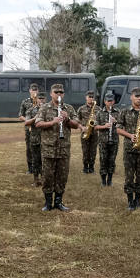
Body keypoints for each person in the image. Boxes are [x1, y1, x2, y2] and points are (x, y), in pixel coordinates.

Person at [35, 83, 81, 211]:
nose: (59, 94)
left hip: (63, 149)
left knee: (62, 176)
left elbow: (76, 124)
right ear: (51, 94)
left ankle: (59, 201)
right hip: (48, 149)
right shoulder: (44, 108)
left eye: (61, 92)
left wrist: (67, 120)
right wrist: (53, 122)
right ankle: (48, 203)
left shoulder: (69, 108)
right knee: (48, 176)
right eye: (56, 92)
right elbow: (38, 123)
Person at [116, 87, 140, 211]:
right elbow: (118, 128)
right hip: (129, 148)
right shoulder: (125, 111)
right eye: (136, 96)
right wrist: (130, 135)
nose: (138, 98)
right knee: (129, 175)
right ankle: (130, 202)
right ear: (131, 97)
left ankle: (138, 201)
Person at [95, 93, 120, 187]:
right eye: (108, 101)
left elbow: (122, 126)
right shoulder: (99, 113)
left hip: (114, 140)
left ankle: (110, 180)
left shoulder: (118, 112)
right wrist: (104, 126)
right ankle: (103, 181)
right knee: (103, 160)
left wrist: (115, 122)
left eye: (111, 101)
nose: (110, 103)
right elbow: (95, 127)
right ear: (105, 101)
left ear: (114, 101)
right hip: (103, 141)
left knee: (112, 160)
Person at [24, 91, 46, 187]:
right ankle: (36, 179)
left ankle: (44, 179)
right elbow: (26, 122)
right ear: (36, 100)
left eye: (42, 98)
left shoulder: (49, 110)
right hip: (35, 139)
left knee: (45, 160)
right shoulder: (30, 110)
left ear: (45, 99)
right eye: (39, 98)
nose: (41, 100)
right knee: (35, 160)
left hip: (47, 140)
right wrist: (35, 118)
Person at [18, 83, 39, 174]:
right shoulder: (25, 102)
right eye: (32, 90)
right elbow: (20, 115)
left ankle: (39, 167)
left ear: (37, 91)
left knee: (39, 147)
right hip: (29, 128)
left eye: (35, 90)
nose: (34, 91)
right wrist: (28, 120)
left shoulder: (41, 101)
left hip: (39, 128)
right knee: (29, 148)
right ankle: (30, 168)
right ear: (30, 91)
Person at [77, 90, 99, 173]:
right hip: (85, 132)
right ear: (86, 98)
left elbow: (101, 120)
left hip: (94, 133)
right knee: (85, 151)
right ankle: (85, 167)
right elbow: (77, 120)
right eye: (89, 97)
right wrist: (81, 127)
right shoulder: (81, 109)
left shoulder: (98, 109)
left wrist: (96, 122)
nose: (91, 98)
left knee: (93, 151)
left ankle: (92, 167)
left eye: (92, 97)